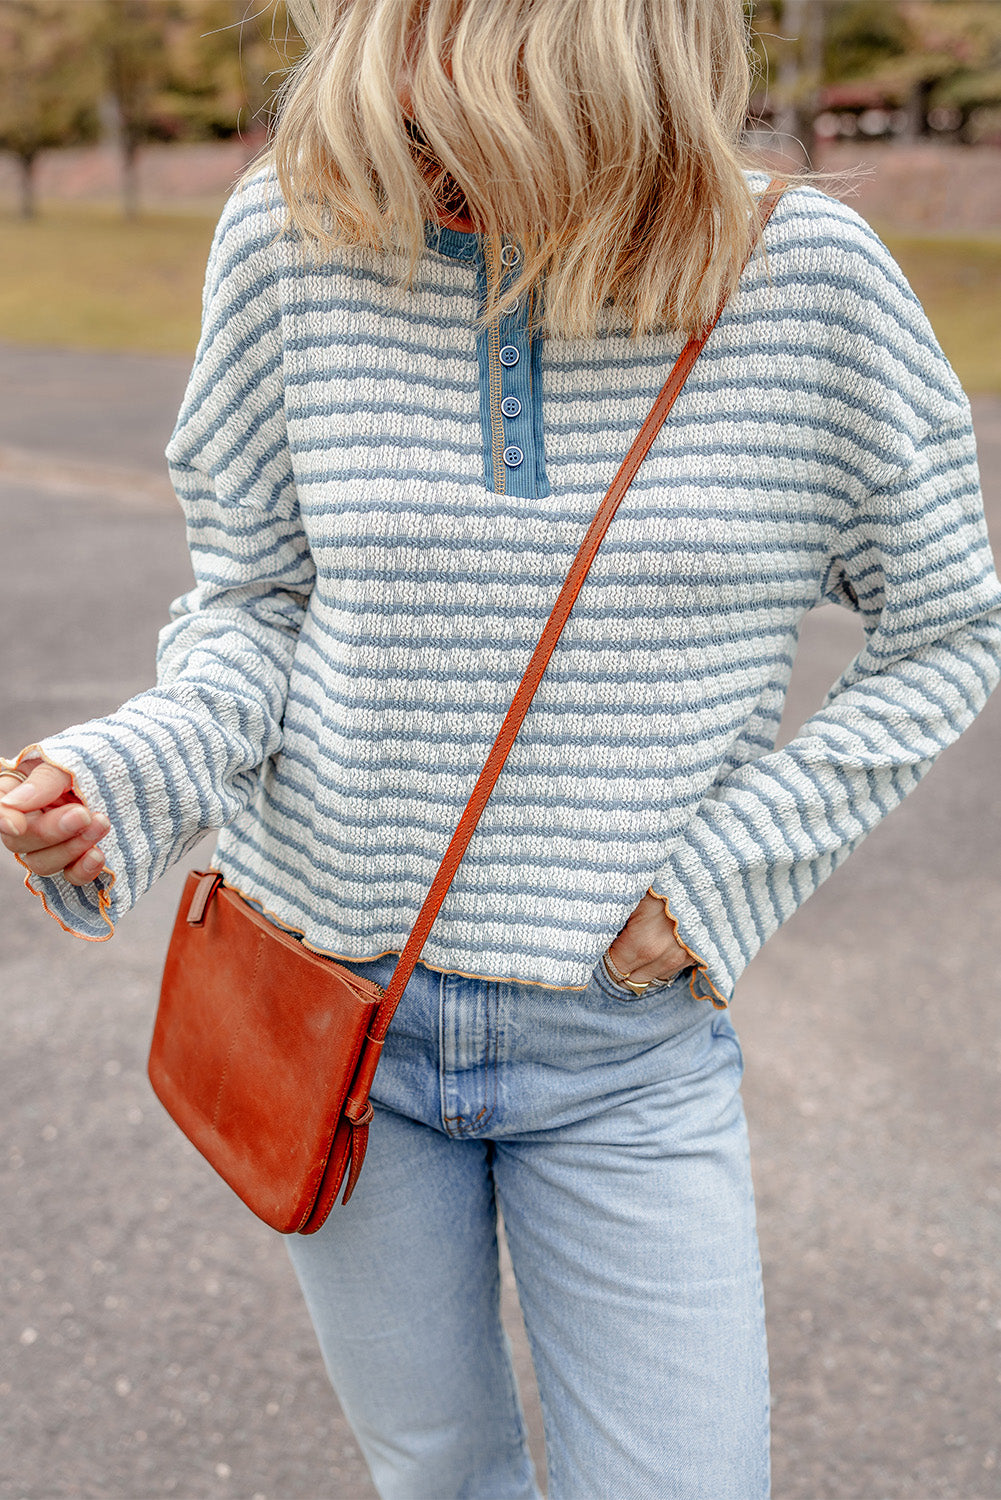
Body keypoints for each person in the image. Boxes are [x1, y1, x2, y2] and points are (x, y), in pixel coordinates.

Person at [3, 1, 1000, 1495]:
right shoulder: (292, 233)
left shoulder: (803, 280)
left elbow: (947, 630)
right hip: (332, 1013)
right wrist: (127, 777)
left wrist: (707, 892)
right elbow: (254, 601)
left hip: (623, 1052)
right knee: (438, 1477)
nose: (382, 95)